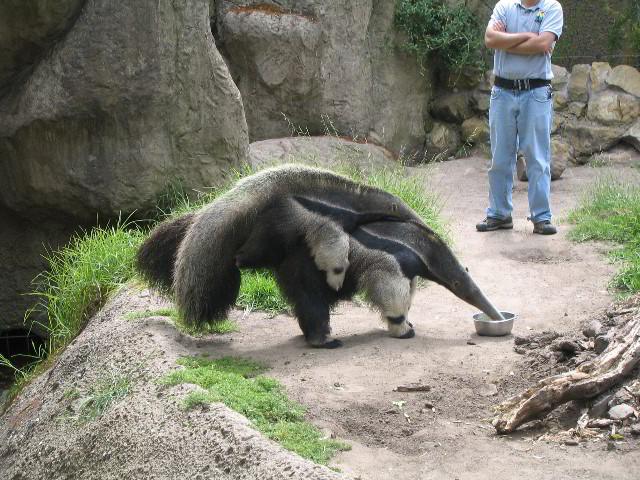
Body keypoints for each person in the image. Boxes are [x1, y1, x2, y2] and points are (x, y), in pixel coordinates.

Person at [476, 0, 563, 235]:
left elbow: (544, 42)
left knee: (537, 158)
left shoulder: (552, 7)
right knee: (500, 158)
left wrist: (507, 40)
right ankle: (499, 214)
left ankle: (541, 217)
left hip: (536, 92)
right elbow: (490, 39)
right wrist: (527, 36)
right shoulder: (504, 6)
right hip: (502, 91)